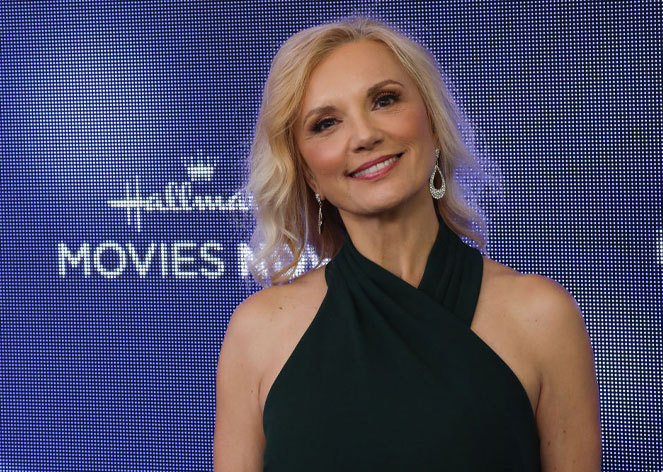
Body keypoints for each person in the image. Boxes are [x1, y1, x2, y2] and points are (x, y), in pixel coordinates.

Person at [213, 15, 601, 471]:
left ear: (432, 123)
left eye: (384, 100)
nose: (364, 135)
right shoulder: (257, 333)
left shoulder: (541, 316)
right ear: (307, 171)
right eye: (325, 123)